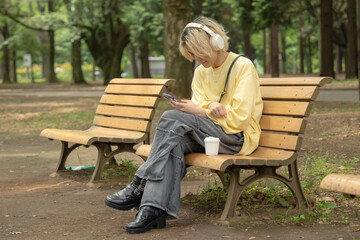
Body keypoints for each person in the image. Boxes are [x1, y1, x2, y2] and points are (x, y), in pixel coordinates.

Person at [104, 16, 263, 234]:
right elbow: (200, 104)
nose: (196, 58)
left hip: (236, 137)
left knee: (170, 118)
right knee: (172, 143)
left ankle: (139, 182)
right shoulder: (200, 72)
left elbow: (240, 119)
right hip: (206, 134)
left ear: (216, 43)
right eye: (191, 54)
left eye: (199, 52)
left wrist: (202, 110)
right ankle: (153, 209)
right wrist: (207, 107)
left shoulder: (242, 66)